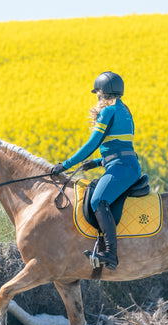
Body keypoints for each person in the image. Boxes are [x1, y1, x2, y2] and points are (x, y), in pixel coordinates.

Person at [51, 71, 142, 270]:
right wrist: (98, 162)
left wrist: (65, 165)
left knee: (97, 200)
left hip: (122, 167)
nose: (97, 97)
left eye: (98, 93)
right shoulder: (125, 111)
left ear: (102, 93)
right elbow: (120, 146)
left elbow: (92, 144)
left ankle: (110, 252)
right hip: (124, 165)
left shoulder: (108, 111)